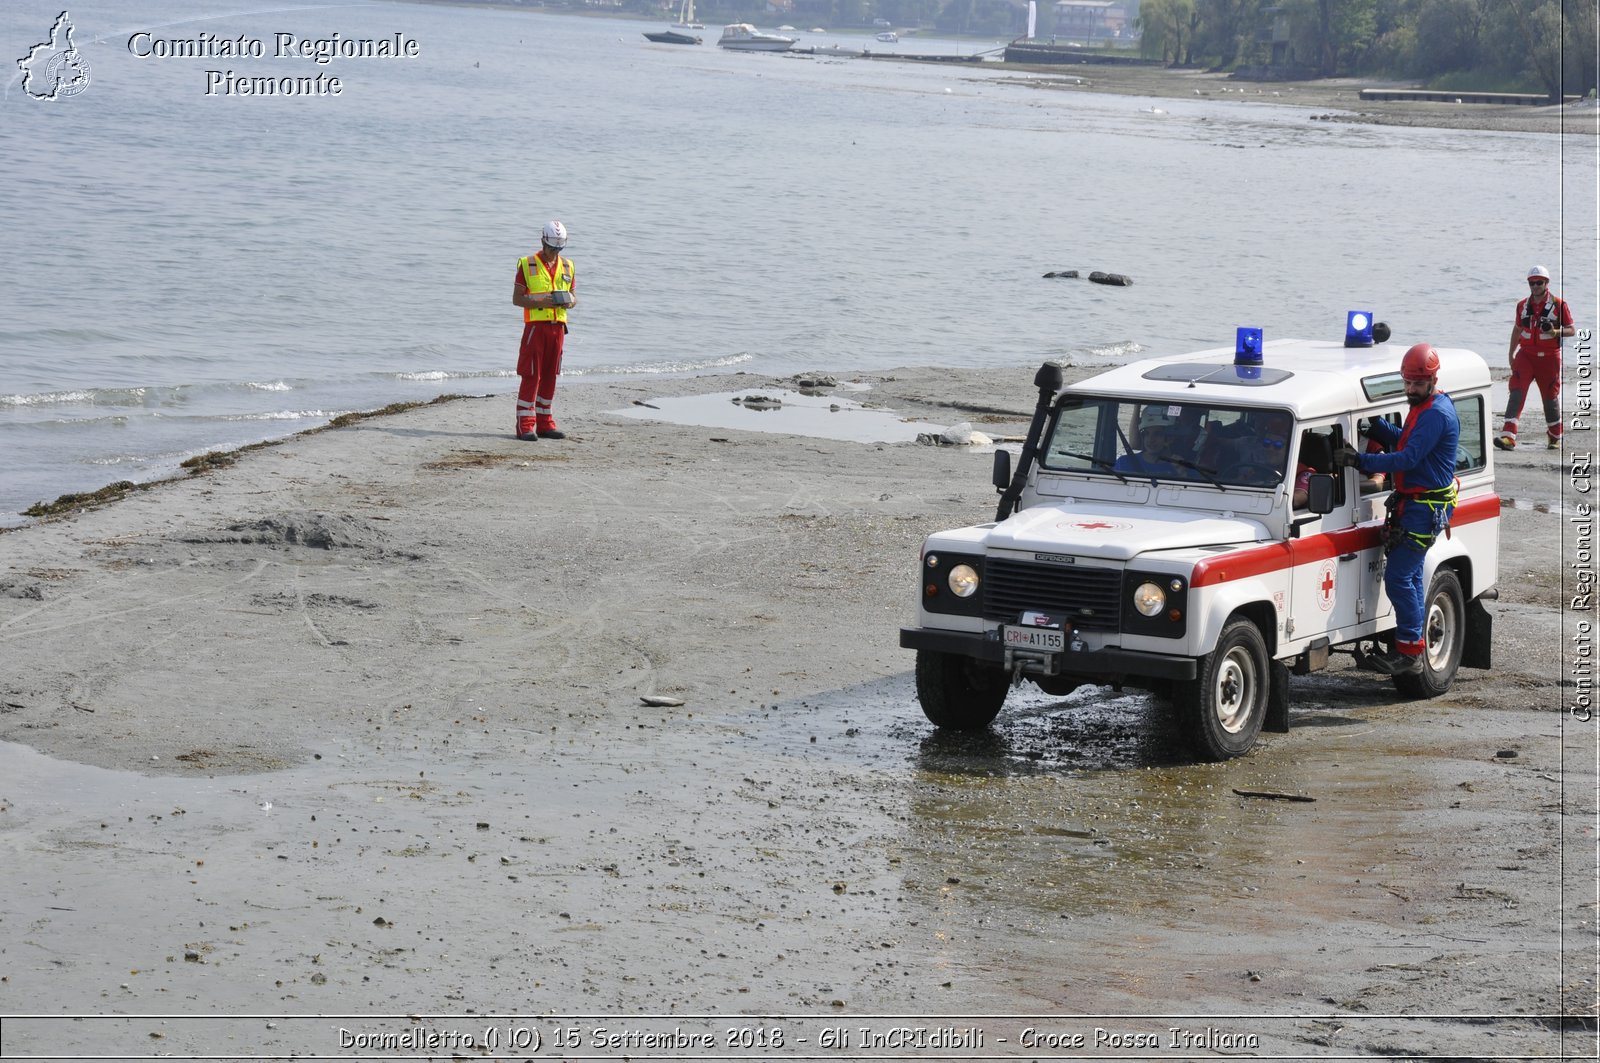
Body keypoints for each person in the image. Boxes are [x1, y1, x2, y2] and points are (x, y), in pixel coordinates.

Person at [1334, 343, 1460, 677]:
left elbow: (1407, 458)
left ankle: (1408, 650)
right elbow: (1405, 440)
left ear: (1432, 380)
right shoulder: (1429, 406)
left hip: (1424, 508)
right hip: (1419, 504)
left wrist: (1360, 460)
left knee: (1399, 577)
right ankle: (1414, 645)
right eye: (1406, 383)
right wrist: (1374, 427)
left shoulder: (1435, 413)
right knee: (1412, 575)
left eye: (1416, 384)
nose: (1409, 389)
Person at [1496, 264, 1574, 450]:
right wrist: (1511, 353)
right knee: (1516, 390)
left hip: (1549, 358)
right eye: (1532, 283)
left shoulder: (1559, 304)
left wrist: (1555, 331)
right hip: (1526, 355)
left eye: (1539, 282)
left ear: (1546, 283)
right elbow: (1517, 330)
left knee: (1550, 396)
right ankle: (1508, 436)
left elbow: (1571, 330)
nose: (1535, 286)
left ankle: (1555, 435)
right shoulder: (1522, 305)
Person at [512, 221, 577, 441]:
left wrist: (568, 302)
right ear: (543, 241)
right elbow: (517, 299)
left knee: (550, 376)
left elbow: (575, 297)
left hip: (558, 329)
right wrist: (543, 300)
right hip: (535, 329)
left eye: (559, 249)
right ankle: (525, 426)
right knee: (531, 375)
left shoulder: (568, 266)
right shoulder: (527, 264)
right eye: (551, 248)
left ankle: (545, 423)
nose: (554, 253)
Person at [1115, 407, 1183, 475]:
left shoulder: (1181, 466)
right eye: (1146, 434)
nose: (1151, 439)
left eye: (1157, 434)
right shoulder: (1124, 463)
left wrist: (1182, 474)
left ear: (1170, 438)